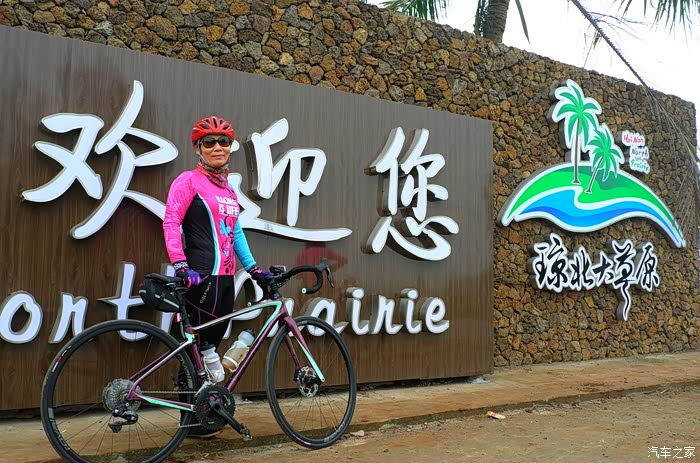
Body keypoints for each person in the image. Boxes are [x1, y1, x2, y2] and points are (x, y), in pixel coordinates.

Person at [162, 116, 270, 437]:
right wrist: (180, 265)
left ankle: (204, 415)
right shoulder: (188, 182)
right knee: (196, 352)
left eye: (224, 142)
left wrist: (253, 268)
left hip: (225, 280)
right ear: (198, 148)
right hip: (199, 278)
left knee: (212, 346)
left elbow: (236, 232)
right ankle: (189, 422)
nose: (217, 147)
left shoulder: (229, 190)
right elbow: (171, 222)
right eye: (209, 142)